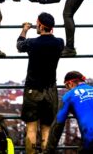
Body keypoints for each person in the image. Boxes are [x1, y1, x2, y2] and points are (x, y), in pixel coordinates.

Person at [16, 12, 64, 154]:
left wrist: (24, 30)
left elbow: (19, 45)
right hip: (50, 90)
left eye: (37, 24)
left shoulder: (32, 43)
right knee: (47, 128)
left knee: (31, 127)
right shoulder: (59, 43)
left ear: (41, 26)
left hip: (32, 90)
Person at [44, 71, 93, 154]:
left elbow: (58, 124)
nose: (67, 89)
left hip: (92, 142)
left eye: (67, 86)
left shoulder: (69, 95)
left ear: (70, 83)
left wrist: (49, 150)